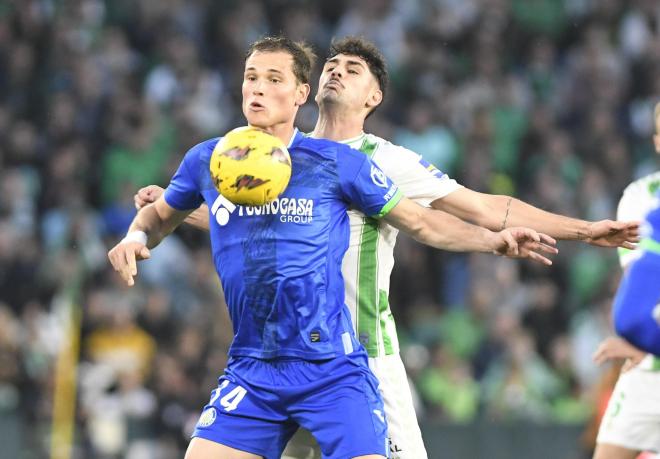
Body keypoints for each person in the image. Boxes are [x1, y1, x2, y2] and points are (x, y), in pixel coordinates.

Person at [135, 36, 639, 459]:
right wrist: (177, 214)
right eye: (331, 65)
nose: (336, 73)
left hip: (363, 356)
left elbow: (481, 210)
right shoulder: (278, 158)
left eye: (352, 70)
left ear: (374, 97)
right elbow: (252, 230)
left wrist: (582, 230)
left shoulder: (383, 159)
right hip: (280, 354)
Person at [592, 102, 660, 459]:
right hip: (652, 362)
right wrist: (641, 340)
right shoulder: (643, 199)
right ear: (657, 141)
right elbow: (643, 285)